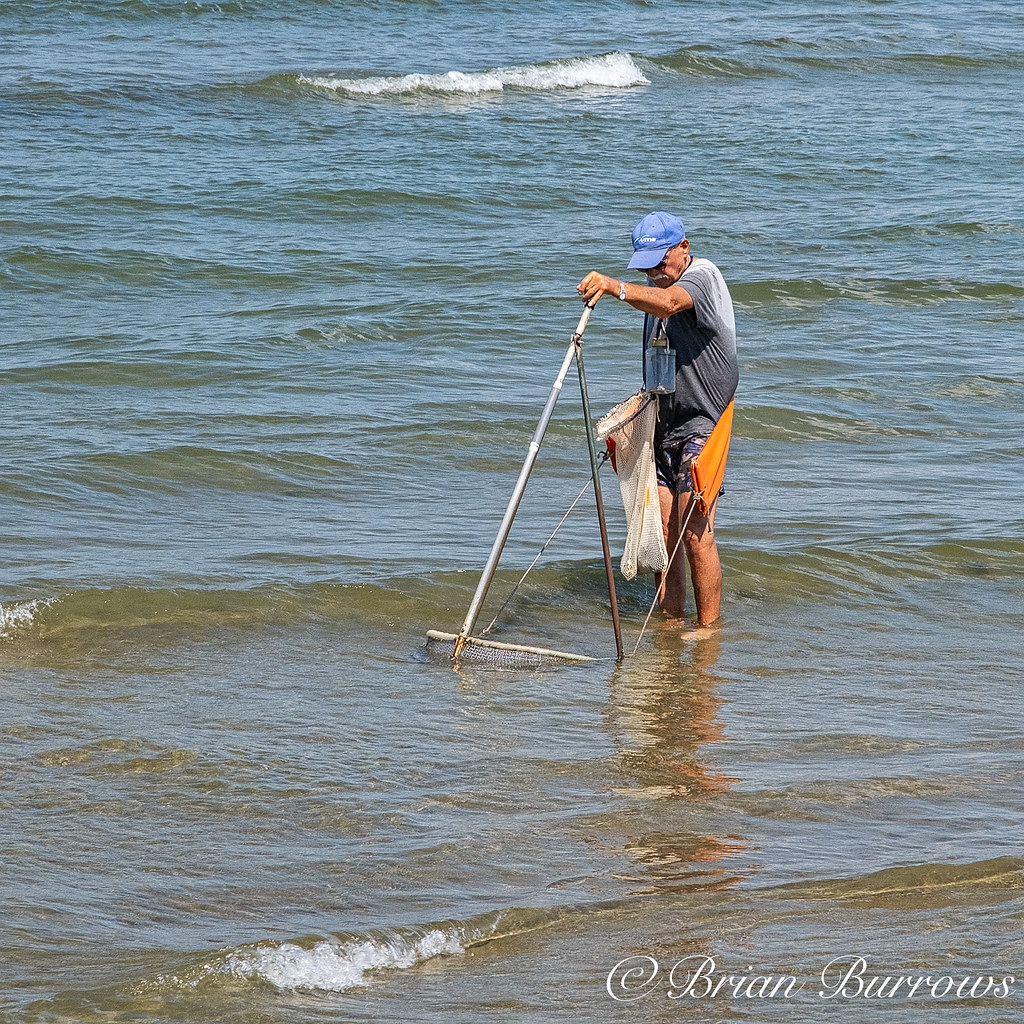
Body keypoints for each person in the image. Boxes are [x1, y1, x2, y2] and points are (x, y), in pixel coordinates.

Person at [577, 212, 738, 626]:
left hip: (706, 421)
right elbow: (660, 357)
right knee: (661, 533)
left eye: (660, 261)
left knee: (694, 533)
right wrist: (641, 405)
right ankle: (671, 623)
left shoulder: (701, 278)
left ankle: (708, 631)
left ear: (684, 246)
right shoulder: (655, 286)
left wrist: (616, 287)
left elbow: (670, 305)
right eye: (645, 265)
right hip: (663, 423)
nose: (654, 272)